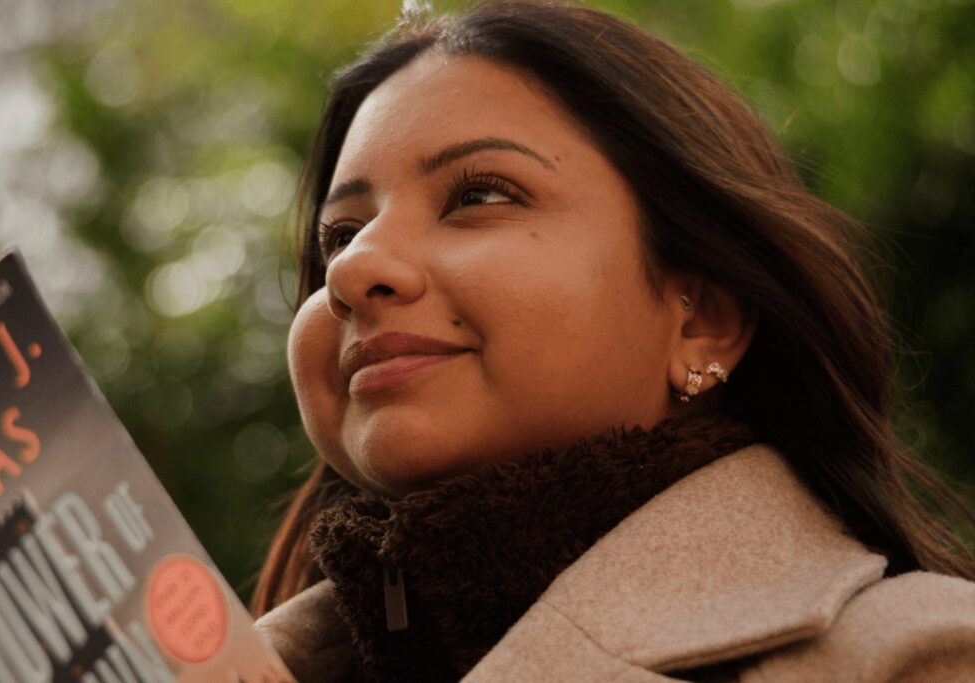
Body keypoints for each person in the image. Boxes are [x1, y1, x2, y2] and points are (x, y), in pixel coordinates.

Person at [251, 1, 975, 680]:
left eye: (477, 196)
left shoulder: (916, 657)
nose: (352, 268)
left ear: (701, 321)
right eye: (340, 235)